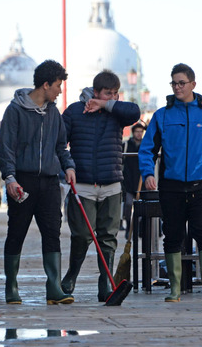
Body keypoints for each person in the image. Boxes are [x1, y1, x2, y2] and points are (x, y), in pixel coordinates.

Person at [139, 63, 202, 303]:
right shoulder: (162, 115)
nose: (177, 87)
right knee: (173, 235)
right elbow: (147, 149)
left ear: (192, 85)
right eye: (174, 83)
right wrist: (148, 173)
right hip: (171, 186)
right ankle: (175, 289)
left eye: (181, 83)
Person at [0, 59, 77, 304]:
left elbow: (60, 146)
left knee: (52, 233)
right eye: (58, 86)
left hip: (50, 183)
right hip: (23, 182)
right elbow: (6, 148)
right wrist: (10, 178)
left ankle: (53, 288)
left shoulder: (54, 112)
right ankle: (11, 286)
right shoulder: (15, 111)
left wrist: (69, 166)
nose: (60, 91)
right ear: (45, 85)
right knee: (17, 232)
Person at [60, 70, 141, 302]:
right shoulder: (75, 112)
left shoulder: (116, 111)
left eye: (116, 93)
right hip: (83, 185)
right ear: (95, 92)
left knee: (108, 237)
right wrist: (67, 167)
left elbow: (134, 112)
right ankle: (71, 276)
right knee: (82, 235)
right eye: (108, 94)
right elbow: (59, 142)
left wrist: (106, 105)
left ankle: (105, 283)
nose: (113, 97)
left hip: (112, 183)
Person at [121, 122, 146, 236]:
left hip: (142, 183)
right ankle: (128, 226)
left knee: (142, 208)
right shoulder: (126, 145)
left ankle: (138, 228)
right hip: (128, 182)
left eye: (141, 131)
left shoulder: (146, 146)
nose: (139, 134)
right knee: (128, 205)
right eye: (137, 131)